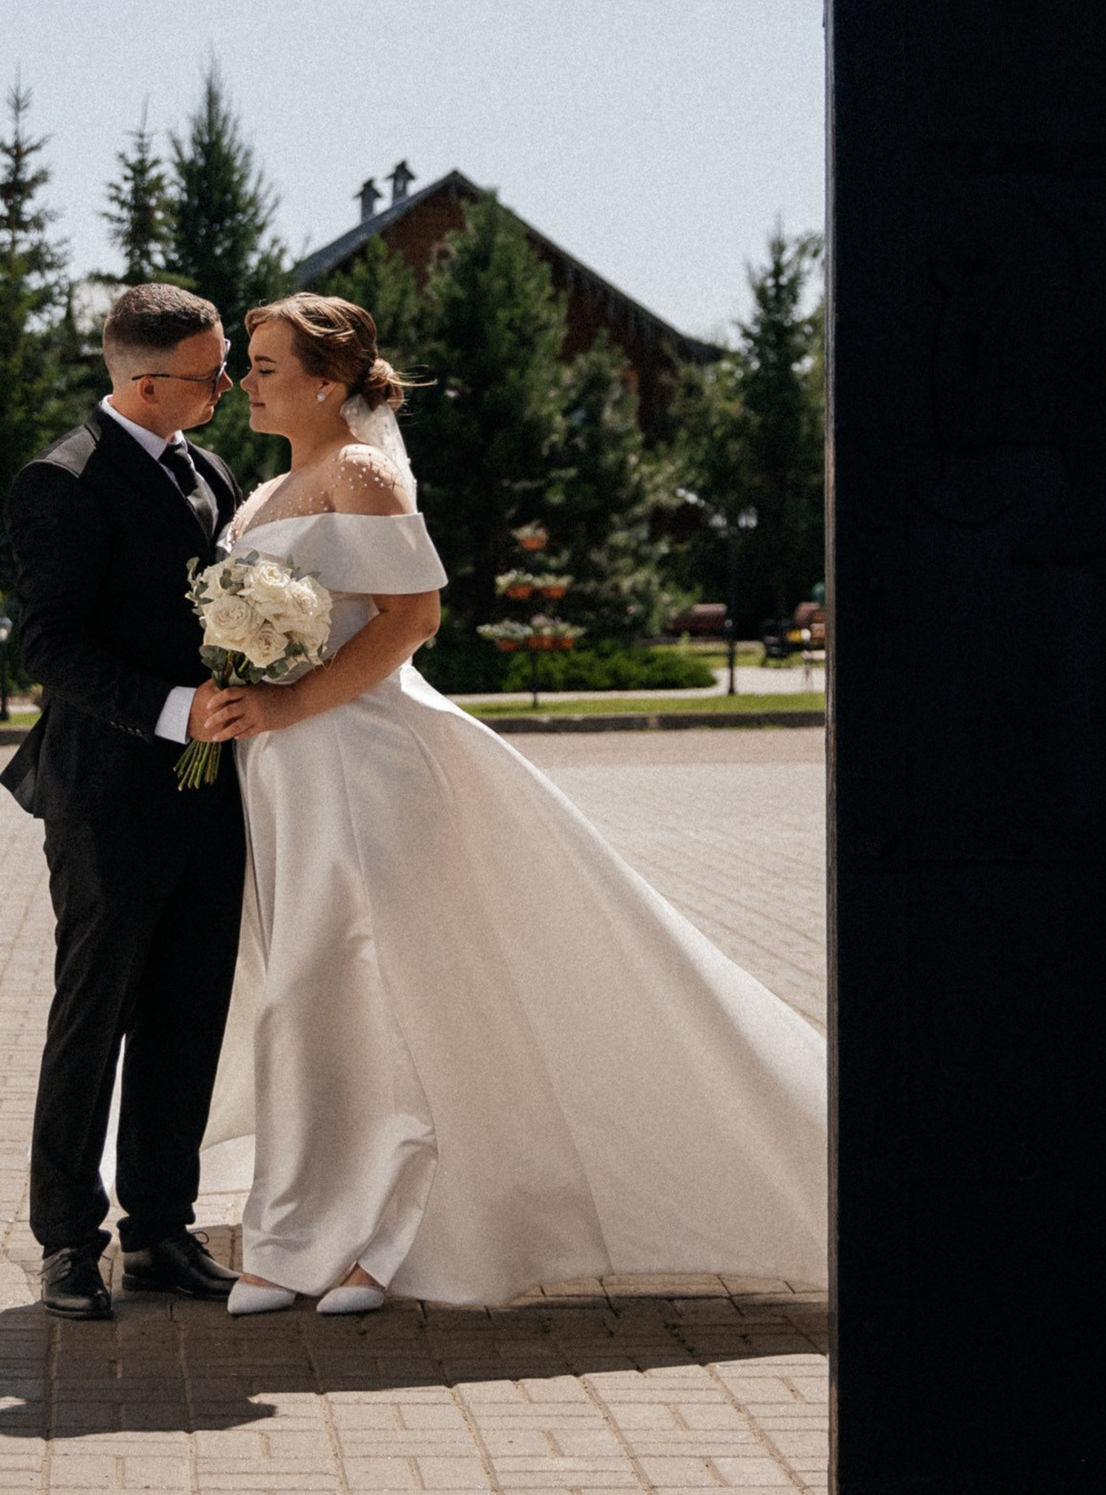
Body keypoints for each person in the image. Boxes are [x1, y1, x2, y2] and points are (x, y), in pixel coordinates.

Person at [191, 292, 827, 1314]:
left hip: (364, 756)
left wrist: (289, 702)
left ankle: (388, 1239)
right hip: (283, 768)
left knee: (368, 985)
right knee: (306, 990)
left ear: (329, 381)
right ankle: (302, 1228)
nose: (247, 383)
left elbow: (411, 618)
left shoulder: (360, 471)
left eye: (265, 366)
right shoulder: (267, 490)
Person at [1, 282, 249, 1319]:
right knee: (95, 1013)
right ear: (147, 384)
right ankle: (67, 1239)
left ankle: (159, 1231)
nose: (229, 384)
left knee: (188, 1012)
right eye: (212, 372)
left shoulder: (211, 469)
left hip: (213, 791)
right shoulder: (63, 480)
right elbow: (47, 644)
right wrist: (173, 708)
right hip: (106, 794)